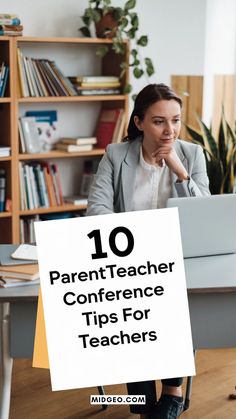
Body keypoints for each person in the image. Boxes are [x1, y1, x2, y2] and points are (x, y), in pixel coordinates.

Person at [86, 83, 210, 419]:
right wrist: (133, 242)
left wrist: (179, 171)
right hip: (129, 259)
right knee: (128, 300)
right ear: (139, 122)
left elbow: (204, 216)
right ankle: (142, 402)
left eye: (175, 120)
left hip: (179, 262)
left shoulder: (192, 154)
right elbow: (96, 209)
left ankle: (172, 391)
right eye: (159, 122)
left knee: (175, 295)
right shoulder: (116, 154)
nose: (169, 130)